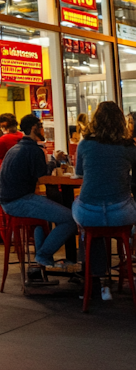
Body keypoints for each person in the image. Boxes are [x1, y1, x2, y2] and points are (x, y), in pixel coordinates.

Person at [0, 114, 77, 268]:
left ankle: (41, 265)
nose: (43, 130)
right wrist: (54, 160)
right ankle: (43, 255)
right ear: (34, 128)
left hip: (7, 200)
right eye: (41, 127)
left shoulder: (16, 148)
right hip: (19, 200)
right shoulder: (34, 150)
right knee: (70, 219)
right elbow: (43, 176)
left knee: (43, 219)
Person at [73, 102, 136, 278]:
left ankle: (91, 273)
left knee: (84, 217)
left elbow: (79, 173)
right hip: (121, 213)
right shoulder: (129, 147)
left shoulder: (85, 144)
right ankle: (126, 260)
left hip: (89, 213)